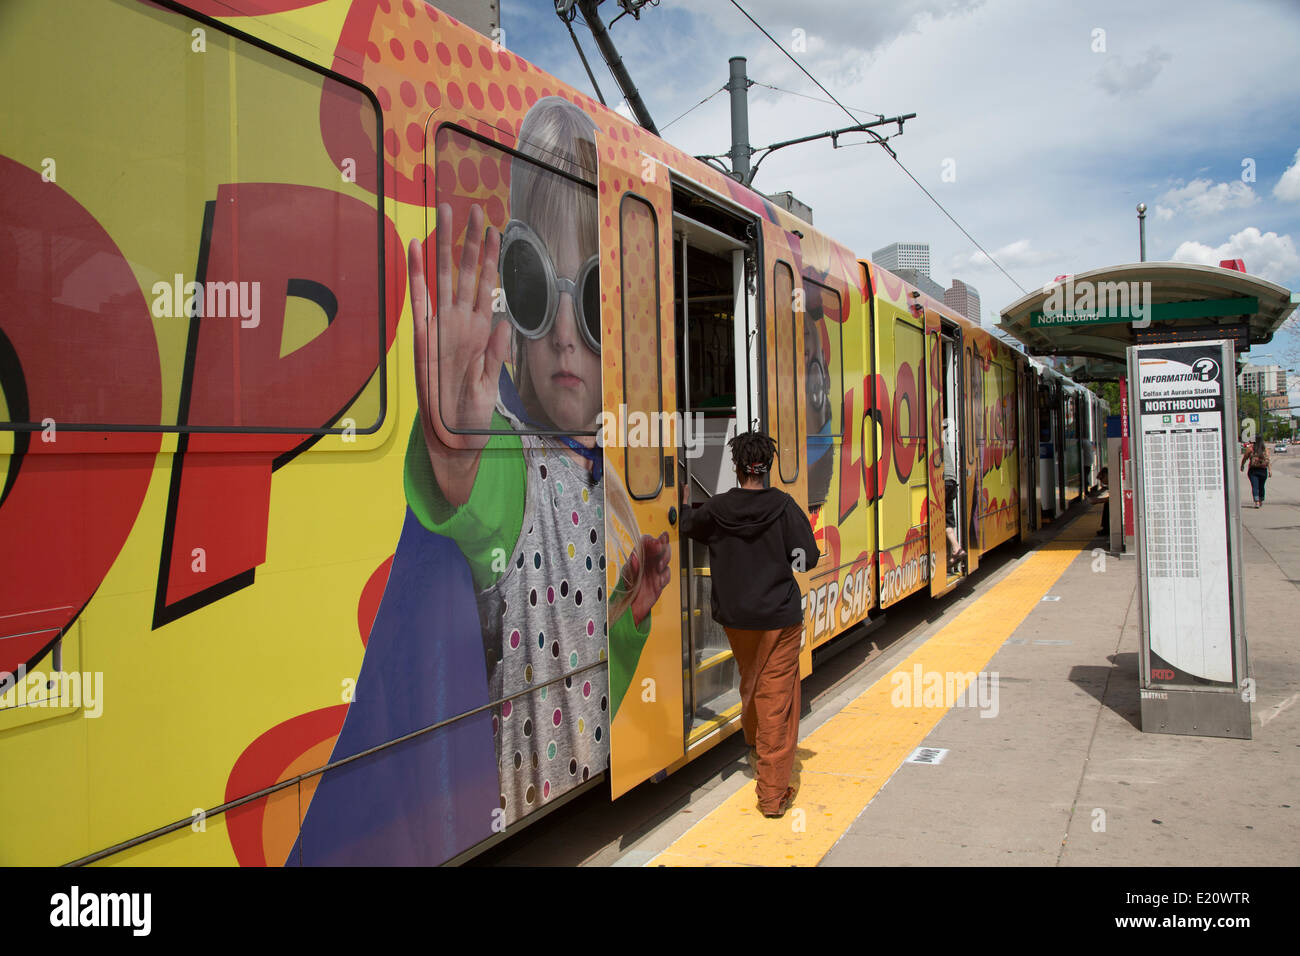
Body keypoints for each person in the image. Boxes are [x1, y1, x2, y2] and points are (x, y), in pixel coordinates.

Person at [406, 97, 671, 824]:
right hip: (522, 796)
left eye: (588, 301)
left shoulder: (608, 486)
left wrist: (632, 619)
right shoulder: (515, 464)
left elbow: (597, 677)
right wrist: (459, 434)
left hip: (585, 778)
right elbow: (479, 495)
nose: (560, 334)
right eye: (530, 285)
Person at [680, 431, 819, 818]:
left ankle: (755, 744)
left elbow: (689, 525)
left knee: (752, 682)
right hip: (779, 618)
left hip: (737, 619)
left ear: (737, 466)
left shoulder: (718, 509)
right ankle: (772, 796)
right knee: (777, 700)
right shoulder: (784, 507)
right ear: (767, 467)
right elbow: (807, 558)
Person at [942, 418, 964, 571]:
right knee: (947, 518)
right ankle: (957, 548)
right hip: (952, 482)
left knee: (938, 517)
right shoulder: (944, 443)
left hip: (943, 482)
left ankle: (955, 550)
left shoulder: (935, 442)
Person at [1240, 438, 1271, 508]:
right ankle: (1260, 500)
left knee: (1255, 486)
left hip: (1253, 470)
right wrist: (1269, 470)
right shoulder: (1265, 449)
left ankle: (1256, 502)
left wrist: (1242, 465)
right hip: (1263, 470)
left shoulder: (1250, 449)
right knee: (1261, 486)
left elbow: (1244, 458)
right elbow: (1268, 460)